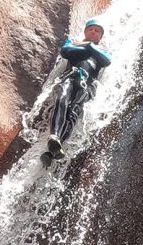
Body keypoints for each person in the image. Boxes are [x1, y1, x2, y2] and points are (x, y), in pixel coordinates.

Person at [46, 18, 111, 158]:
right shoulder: (73, 42)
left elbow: (107, 60)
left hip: (87, 84)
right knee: (62, 97)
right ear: (85, 31)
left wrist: (88, 45)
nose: (93, 32)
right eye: (90, 29)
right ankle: (54, 136)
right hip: (71, 75)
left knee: (74, 111)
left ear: (101, 36)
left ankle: (55, 149)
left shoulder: (101, 50)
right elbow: (65, 51)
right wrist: (86, 46)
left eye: (97, 31)